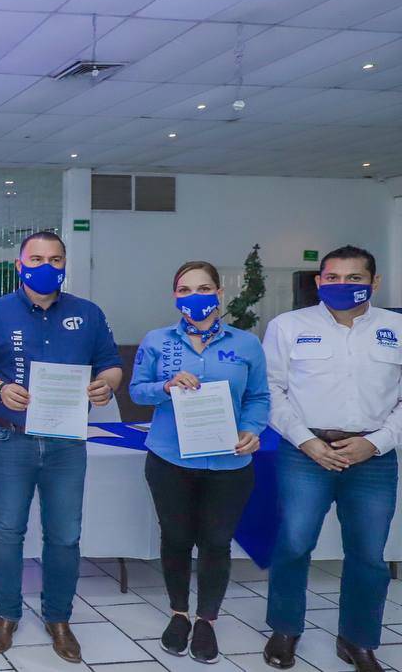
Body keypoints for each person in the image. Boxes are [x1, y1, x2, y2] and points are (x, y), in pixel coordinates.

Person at [0, 230, 122, 663]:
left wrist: (105, 385)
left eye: (55, 259)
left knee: (64, 534)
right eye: (36, 259)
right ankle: (6, 613)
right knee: (7, 528)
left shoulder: (88, 314)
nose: (46, 267)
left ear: (65, 264)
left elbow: (111, 365)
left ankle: (58, 617)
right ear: (19, 265)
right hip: (12, 437)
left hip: (67, 442)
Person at [262, 246, 402, 672]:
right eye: (333, 277)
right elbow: (270, 391)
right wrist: (306, 441)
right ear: (318, 281)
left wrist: (377, 442)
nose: (343, 285)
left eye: (354, 278)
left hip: (373, 456)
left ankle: (358, 640)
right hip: (305, 454)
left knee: (369, 555)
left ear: (374, 282)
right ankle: (285, 629)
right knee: (294, 543)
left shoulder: (396, 328)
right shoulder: (288, 326)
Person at [129, 261, 268, 663]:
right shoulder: (157, 340)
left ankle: (207, 619)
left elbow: (259, 397)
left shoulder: (247, 344)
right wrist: (166, 386)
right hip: (170, 459)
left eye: (204, 288)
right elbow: (137, 391)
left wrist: (251, 428)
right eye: (185, 289)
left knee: (216, 542)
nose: (195, 296)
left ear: (220, 293)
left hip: (229, 464)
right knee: (175, 538)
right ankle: (179, 614)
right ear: (175, 296)